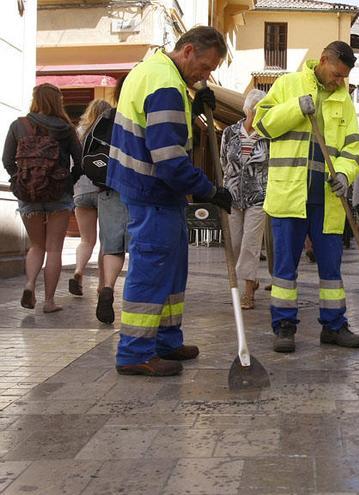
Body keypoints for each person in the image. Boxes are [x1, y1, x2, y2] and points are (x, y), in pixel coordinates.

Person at [107, 26, 232, 376]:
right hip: (153, 190)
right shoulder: (164, 84)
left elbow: (160, 130)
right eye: (205, 67)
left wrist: (193, 108)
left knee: (171, 271)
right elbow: (168, 157)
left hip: (153, 190)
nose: (206, 75)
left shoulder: (155, 72)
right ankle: (135, 352)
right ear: (188, 50)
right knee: (152, 271)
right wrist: (208, 190)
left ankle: (166, 340)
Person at [253, 41, 359, 353]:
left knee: (331, 269)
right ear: (324, 59)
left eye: (343, 77)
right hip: (290, 195)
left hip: (328, 200)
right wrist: (294, 108)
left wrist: (344, 174)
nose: (339, 80)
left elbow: (354, 147)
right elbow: (261, 124)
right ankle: (284, 327)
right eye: (336, 73)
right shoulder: (288, 85)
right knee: (285, 268)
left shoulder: (344, 100)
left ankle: (334, 325)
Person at [3, 83, 83, 313]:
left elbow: (7, 159)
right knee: (54, 249)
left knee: (36, 245)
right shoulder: (66, 129)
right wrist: (68, 181)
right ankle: (49, 302)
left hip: (28, 194)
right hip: (59, 192)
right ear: (58, 101)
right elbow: (79, 162)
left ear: (35, 99)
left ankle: (29, 284)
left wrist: (20, 180)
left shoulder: (19, 125)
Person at [221, 88, 269, 310]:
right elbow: (224, 161)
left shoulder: (268, 136)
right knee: (234, 243)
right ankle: (253, 279)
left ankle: (248, 291)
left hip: (258, 196)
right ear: (247, 110)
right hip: (232, 195)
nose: (260, 115)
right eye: (256, 110)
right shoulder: (230, 133)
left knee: (251, 244)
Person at [94, 74, 131, 325]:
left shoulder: (106, 117)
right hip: (137, 186)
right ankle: (134, 299)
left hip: (107, 186)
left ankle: (107, 287)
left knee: (113, 246)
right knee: (138, 246)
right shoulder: (140, 116)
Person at [70, 99, 111, 297]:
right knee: (106, 241)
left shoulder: (78, 132)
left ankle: (78, 271)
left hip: (81, 190)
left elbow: (72, 163)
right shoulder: (109, 132)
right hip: (104, 190)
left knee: (86, 240)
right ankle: (103, 284)